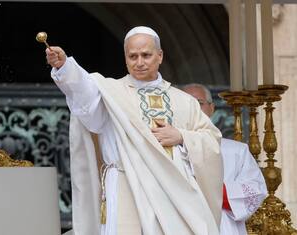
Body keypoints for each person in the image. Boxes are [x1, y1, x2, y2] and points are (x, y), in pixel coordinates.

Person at [46, 26, 223, 235]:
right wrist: (65, 67)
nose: (139, 62)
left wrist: (181, 136)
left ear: (160, 56)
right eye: (133, 56)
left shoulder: (184, 101)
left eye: (146, 55)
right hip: (125, 184)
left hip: (174, 195)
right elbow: (84, 91)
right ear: (125, 58)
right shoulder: (110, 94)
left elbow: (212, 140)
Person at [182, 83, 267, 235]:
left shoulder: (237, 151)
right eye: (186, 103)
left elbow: (255, 190)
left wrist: (212, 190)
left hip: (224, 226)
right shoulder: (169, 149)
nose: (193, 108)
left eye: (199, 103)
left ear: (212, 108)